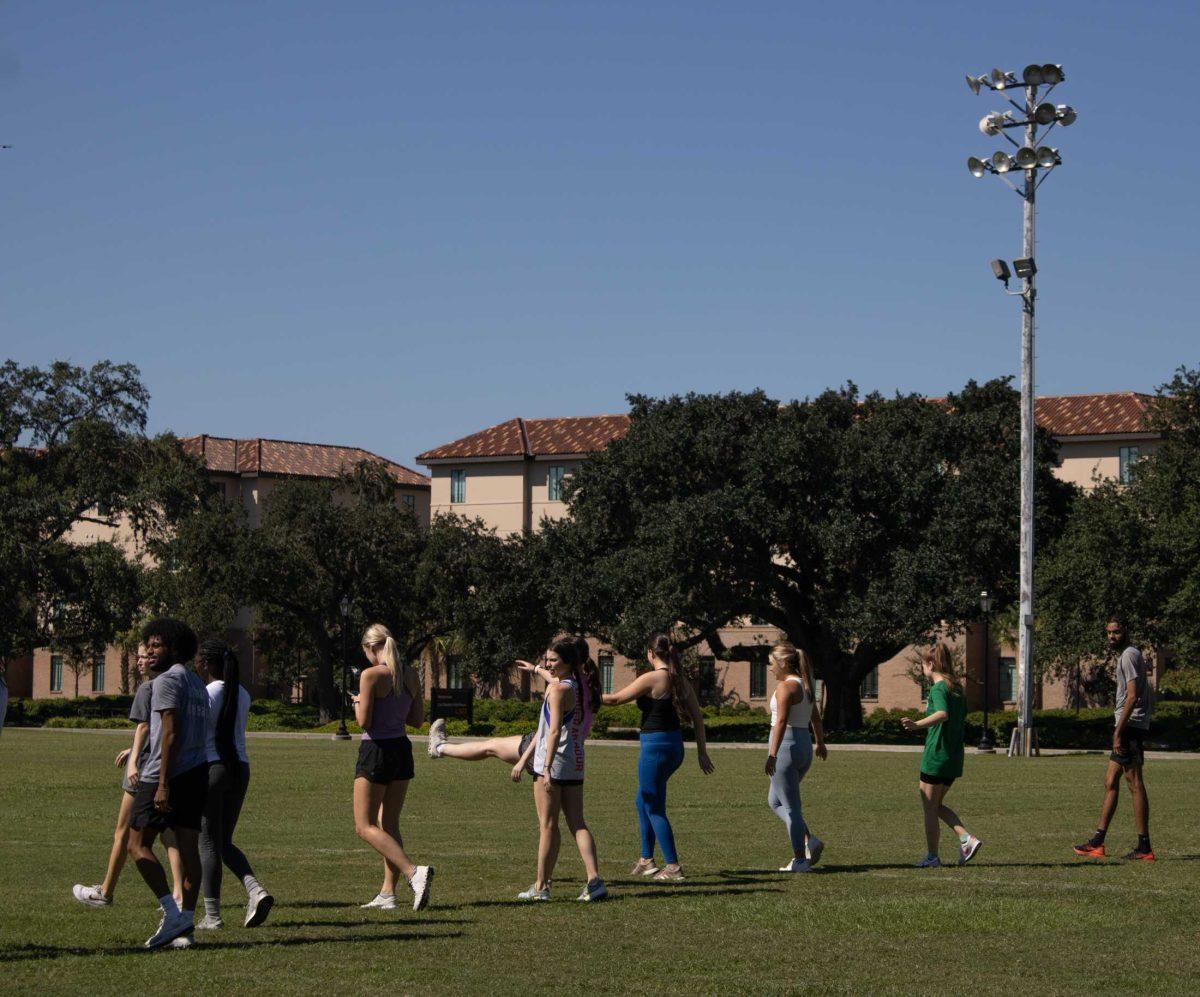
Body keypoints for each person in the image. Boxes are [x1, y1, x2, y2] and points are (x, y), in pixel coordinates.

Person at [72, 644, 184, 912]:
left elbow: (144, 727)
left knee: (124, 833)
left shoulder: (150, 688)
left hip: (145, 771)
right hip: (165, 768)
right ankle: (179, 893)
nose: (140, 661)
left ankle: (106, 892)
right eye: (139, 656)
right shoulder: (175, 685)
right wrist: (132, 748)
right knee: (168, 834)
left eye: (145, 656)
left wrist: (133, 760)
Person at [127, 619, 212, 949]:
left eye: (156, 645)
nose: (149, 651)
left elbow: (170, 732)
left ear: (175, 648)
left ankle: (171, 912)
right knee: (188, 848)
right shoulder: (195, 682)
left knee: (137, 844)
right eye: (148, 644)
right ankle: (187, 927)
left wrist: (162, 783)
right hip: (196, 772)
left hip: (165, 774)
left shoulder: (166, 681)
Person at [601, 633, 714, 881]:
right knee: (643, 800)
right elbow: (697, 717)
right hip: (674, 747)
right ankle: (646, 860)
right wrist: (702, 753)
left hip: (656, 748)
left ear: (650, 653)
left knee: (653, 806)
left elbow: (615, 699)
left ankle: (672, 867)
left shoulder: (653, 677)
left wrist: (583, 696)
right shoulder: (679, 679)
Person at [513, 636, 606, 902]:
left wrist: (546, 769)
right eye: (547, 659)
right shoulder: (576, 685)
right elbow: (554, 681)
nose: (549, 664)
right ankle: (594, 880)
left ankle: (541, 886)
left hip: (553, 764)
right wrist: (536, 669)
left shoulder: (557, 691)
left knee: (548, 826)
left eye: (554, 659)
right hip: (575, 762)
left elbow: (552, 732)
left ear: (567, 662)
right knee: (577, 823)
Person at [353, 623, 434, 912]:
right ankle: (388, 893)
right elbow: (416, 720)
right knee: (390, 824)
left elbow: (364, 721)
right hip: (402, 749)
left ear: (371, 648)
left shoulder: (371, 675)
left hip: (376, 751)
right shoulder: (410, 674)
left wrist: (358, 703)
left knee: (364, 826)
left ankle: (414, 872)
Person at [195, 639, 274, 929]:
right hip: (239, 768)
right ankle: (255, 890)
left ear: (208, 663)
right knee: (223, 841)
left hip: (214, 768)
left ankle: (212, 916)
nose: (197, 664)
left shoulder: (208, 693)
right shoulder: (242, 693)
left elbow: (197, 731)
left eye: (200, 660)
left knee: (208, 843)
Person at [1073, 617, 1155, 861]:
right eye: (1108, 632)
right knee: (1110, 781)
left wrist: (1118, 731)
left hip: (1129, 726)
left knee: (1134, 783)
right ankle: (1097, 842)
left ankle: (1144, 847)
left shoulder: (1129, 655)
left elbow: (1132, 696)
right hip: (1128, 725)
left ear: (1126, 631)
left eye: (1116, 632)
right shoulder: (1129, 655)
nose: (1111, 636)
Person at [901, 643, 981, 868]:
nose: (921, 670)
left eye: (922, 665)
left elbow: (942, 714)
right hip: (953, 757)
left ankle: (934, 855)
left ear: (930, 663)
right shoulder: (957, 688)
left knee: (929, 807)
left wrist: (916, 724)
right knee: (935, 805)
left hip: (937, 755)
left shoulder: (938, 688)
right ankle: (966, 840)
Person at [764, 643, 828, 872]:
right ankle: (809, 840)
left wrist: (772, 754)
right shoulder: (806, 685)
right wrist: (820, 743)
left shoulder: (785, 688)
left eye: (772, 663)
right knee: (775, 801)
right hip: (803, 746)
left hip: (786, 748)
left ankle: (800, 859)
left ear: (782, 664)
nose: (769, 668)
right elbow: (816, 719)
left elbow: (780, 721)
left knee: (791, 808)